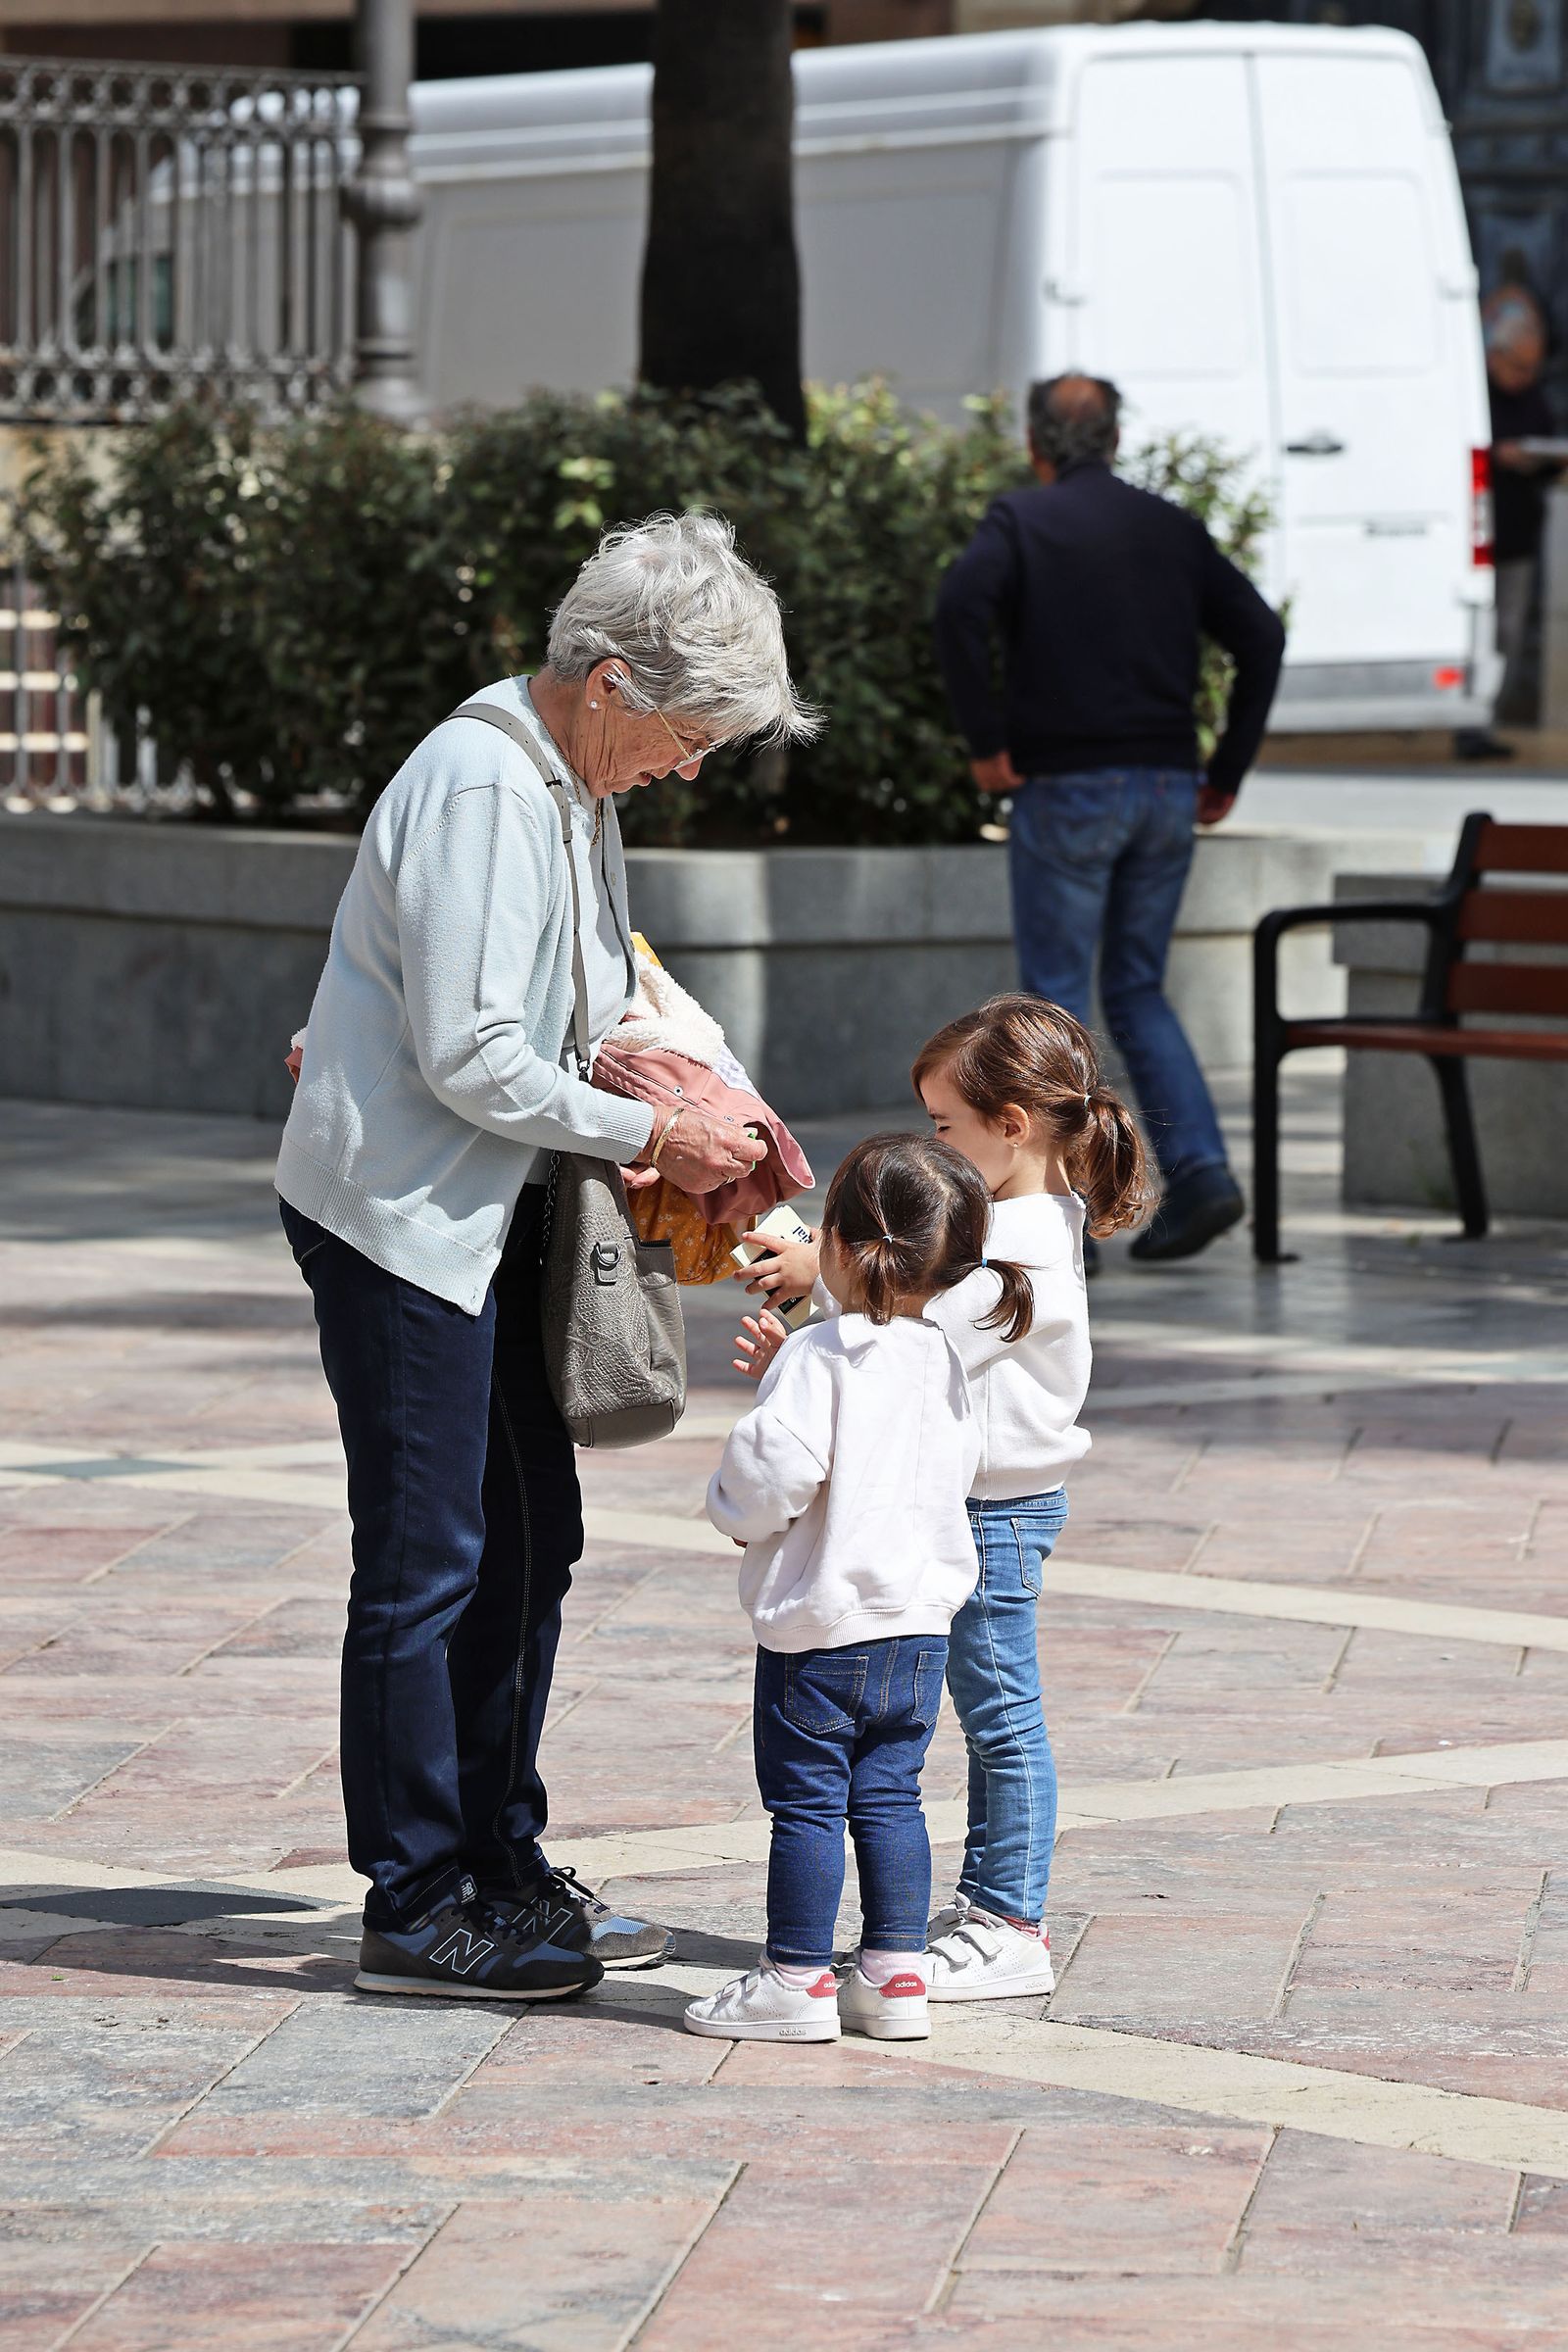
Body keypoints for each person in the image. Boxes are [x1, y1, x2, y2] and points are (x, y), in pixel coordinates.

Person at [277, 513, 816, 2004]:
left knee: (530, 1540)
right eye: (691, 731)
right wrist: (655, 1143)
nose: (693, 762)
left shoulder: (572, 784)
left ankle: (500, 1860)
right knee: (428, 1559)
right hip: (402, 1220)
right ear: (612, 682)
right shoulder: (487, 786)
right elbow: (472, 1051)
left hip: (488, 1207)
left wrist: (691, 1097)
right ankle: (417, 1895)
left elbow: (561, 996)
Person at [735, 993, 1149, 2000]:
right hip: (974, 1506)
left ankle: (1010, 1920)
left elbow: (922, 1329)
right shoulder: (1007, 1226)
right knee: (977, 1708)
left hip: (996, 1513)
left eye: (944, 1126)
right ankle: (986, 1908)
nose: (937, 1143)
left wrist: (820, 1281)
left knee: (1001, 1714)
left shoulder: (1025, 1249)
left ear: (1010, 1127)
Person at [933, 373, 1286, 1266]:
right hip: (1167, 784)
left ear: (1034, 445)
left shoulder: (1021, 522)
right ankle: (1201, 1173)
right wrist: (1226, 766)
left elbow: (957, 610)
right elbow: (1262, 635)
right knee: (1136, 987)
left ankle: (1059, 1217)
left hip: (1067, 785)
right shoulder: (1170, 526)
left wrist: (986, 742)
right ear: (1118, 440)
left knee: (1053, 1000)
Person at [686, 1135, 1027, 2045]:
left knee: (805, 1806)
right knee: (890, 1800)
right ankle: (895, 1975)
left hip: (820, 1629)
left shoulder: (821, 1356)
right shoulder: (944, 1360)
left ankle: (796, 1978)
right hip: (917, 1630)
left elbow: (772, 1479)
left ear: (833, 1244)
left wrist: (733, 1509)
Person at [1457, 287, 1562, 760]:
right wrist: (1501, 457)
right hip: (1475, 534)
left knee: (1509, 633)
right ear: (1494, 355)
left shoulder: (1532, 398)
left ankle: (1485, 723)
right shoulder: (1473, 394)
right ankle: (1466, 722)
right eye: (1517, 365)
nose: (1525, 376)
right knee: (1478, 631)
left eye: (1531, 367)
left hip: (1518, 533)